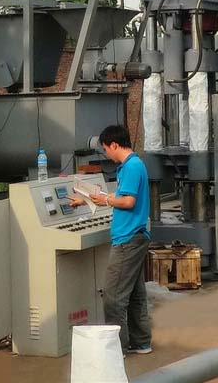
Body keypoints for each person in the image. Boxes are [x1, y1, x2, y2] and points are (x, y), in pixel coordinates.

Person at [70, 125, 151, 354]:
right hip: (136, 236)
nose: (106, 153)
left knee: (113, 298)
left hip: (127, 239)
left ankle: (117, 349)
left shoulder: (131, 167)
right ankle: (141, 342)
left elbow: (127, 202)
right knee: (135, 294)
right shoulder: (133, 165)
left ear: (114, 144)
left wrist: (105, 201)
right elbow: (119, 195)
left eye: (106, 149)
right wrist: (87, 199)